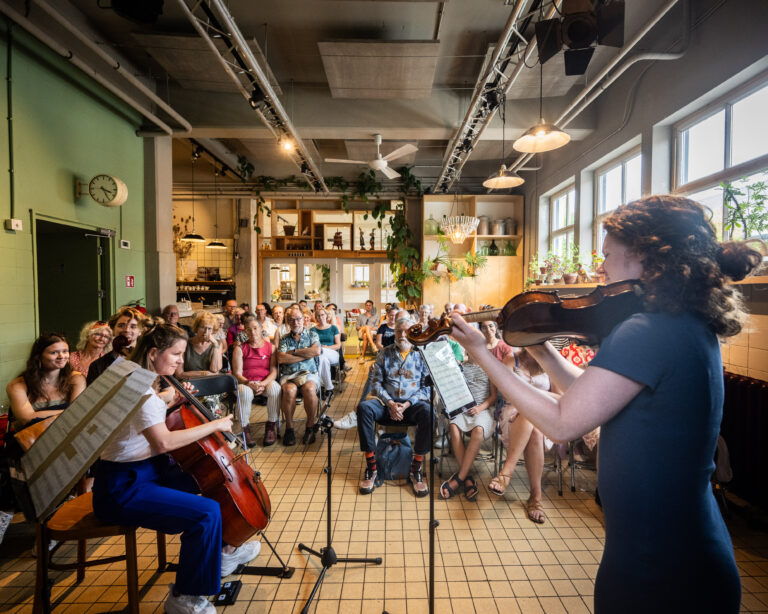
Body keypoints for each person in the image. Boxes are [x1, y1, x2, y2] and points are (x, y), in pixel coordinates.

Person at [449, 195, 762, 613]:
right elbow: (589, 393)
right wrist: (540, 349)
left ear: (650, 258)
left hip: (659, 565)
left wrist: (483, 354)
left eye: (609, 255)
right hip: (680, 549)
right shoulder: (681, 323)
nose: (600, 268)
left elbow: (563, 422)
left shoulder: (647, 329)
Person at [92, 324, 260, 614]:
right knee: (206, 513)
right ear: (154, 352)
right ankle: (184, 597)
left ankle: (223, 549)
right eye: (176, 354)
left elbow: (148, 413)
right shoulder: (141, 391)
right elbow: (163, 442)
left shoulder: (139, 380)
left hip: (148, 471)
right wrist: (215, 424)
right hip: (123, 487)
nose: (181, 361)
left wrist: (171, 398)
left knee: (213, 479)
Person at [356, 318, 432, 497]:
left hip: (411, 406)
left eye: (407, 331)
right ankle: (371, 468)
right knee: (364, 408)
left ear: (413, 332)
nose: (403, 335)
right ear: (394, 333)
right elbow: (376, 383)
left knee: (429, 412)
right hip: (386, 405)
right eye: (399, 331)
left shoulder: (421, 354)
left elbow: (426, 387)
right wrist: (390, 403)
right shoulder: (385, 353)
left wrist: (406, 404)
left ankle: (416, 468)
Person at [489, 348, 554, 524]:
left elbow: (560, 396)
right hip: (512, 411)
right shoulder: (511, 359)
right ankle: (536, 497)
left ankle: (506, 473)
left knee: (533, 422)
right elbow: (506, 391)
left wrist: (533, 400)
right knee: (533, 427)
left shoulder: (550, 363)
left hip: (543, 412)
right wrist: (525, 405)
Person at [6, 333, 87, 458]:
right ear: (38, 356)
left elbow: (79, 416)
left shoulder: (76, 379)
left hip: (66, 440)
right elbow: (27, 419)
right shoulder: (18, 385)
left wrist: (41, 414)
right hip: (31, 446)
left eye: (65, 351)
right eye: (54, 352)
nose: (62, 356)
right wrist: (69, 412)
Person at [440, 351, 497, 501]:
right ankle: (466, 478)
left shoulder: (488, 368)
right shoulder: (462, 368)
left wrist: (479, 408)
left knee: (478, 430)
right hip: (464, 410)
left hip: (483, 409)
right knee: (454, 426)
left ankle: (459, 479)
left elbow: (493, 396)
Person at [232, 315, 281, 447]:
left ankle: (271, 426)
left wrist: (262, 384)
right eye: (249, 329)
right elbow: (237, 373)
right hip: (246, 383)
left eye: (255, 328)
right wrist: (249, 383)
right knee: (246, 393)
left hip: (265, 382)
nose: (253, 332)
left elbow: (274, 371)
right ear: (245, 332)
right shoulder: (240, 348)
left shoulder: (271, 348)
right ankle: (244, 429)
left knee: (276, 389)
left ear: (261, 329)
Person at [277, 306, 322, 446]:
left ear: (304, 320)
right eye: (292, 320)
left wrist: (294, 351)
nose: (296, 322)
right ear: (288, 322)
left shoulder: (312, 335)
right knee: (289, 390)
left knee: (309, 389)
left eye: (298, 319)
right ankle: (289, 429)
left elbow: (316, 351)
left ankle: (309, 426)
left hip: (309, 374)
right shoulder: (284, 339)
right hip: (289, 375)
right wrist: (305, 355)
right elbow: (281, 359)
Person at [87, 307, 143, 385]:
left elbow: (165, 390)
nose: (126, 330)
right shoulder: (97, 365)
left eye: (133, 326)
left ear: (140, 331)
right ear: (113, 330)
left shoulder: (149, 359)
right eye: (121, 325)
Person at [177, 312, 223, 378]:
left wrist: (215, 345)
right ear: (196, 328)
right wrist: (204, 373)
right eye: (203, 327)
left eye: (209, 329)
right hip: (188, 383)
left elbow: (214, 370)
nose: (206, 332)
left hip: (211, 382)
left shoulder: (217, 344)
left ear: (213, 331)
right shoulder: (185, 344)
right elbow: (179, 374)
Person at [313, 307, 340, 393]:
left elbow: (338, 345)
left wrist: (326, 348)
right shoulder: (312, 330)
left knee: (322, 352)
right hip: (318, 355)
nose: (321, 317)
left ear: (326, 316)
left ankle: (318, 385)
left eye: (322, 315)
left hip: (333, 353)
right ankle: (329, 388)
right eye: (318, 316)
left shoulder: (333, 328)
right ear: (316, 317)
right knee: (323, 359)